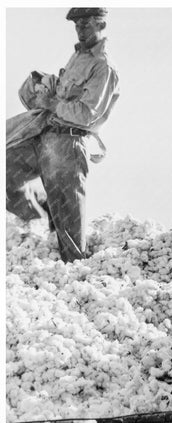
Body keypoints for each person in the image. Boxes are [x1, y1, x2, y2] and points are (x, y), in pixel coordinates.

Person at [6, 7, 120, 262]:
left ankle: (75, 273)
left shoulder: (103, 67)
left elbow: (87, 113)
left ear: (101, 25)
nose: (80, 29)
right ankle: (42, 210)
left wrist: (51, 104)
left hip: (68, 143)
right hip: (44, 134)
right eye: (77, 24)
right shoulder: (78, 57)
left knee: (68, 222)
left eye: (87, 24)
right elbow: (65, 97)